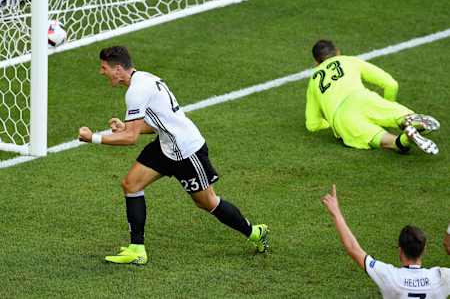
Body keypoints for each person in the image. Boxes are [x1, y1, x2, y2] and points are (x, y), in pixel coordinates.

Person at [78, 46, 269, 265]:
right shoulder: (144, 78)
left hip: (187, 151)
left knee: (207, 202)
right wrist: (129, 127)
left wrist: (92, 137)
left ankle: (255, 232)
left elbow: (130, 139)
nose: (102, 72)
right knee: (131, 185)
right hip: (166, 144)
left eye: (104, 68)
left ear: (118, 68)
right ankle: (137, 249)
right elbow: (158, 121)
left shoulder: (136, 91)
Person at [305, 40, 440, 155]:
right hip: (363, 98)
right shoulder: (350, 60)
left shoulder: (313, 80)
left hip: (342, 117)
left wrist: (329, 122)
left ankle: (405, 139)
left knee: (388, 142)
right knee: (397, 114)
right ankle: (410, 121)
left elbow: (312, 124)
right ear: (338, 51)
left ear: (316, 62)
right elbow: (391, 84)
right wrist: (387, 105)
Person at [321, 184, 450, 298]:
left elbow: (353, 249)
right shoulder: (442, 277)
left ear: (400, 250)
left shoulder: (390, 276)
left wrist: (336, 213)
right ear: (424, 250)